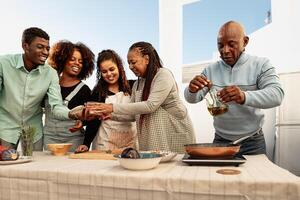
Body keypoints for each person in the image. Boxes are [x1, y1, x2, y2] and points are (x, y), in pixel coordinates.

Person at [184, 21, 284, 155]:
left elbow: (277, 95)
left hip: (253, 142)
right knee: (218, 176)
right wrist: (191, 90)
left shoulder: (261, 65)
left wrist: (243, 96)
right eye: (220, 45)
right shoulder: (210, 70)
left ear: (245, 41)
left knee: (256, 176)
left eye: (231, 44)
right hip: (221, 141)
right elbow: (192, 99)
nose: (225, 51)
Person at [85, 42, 195, 153]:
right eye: (129, 63)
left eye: (133, 62)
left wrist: (111, 107)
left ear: (146, 59)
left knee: (175, 167)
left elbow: (150, 105)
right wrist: (110, 116)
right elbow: (133, 115)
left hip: (173, 132)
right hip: (155, 137)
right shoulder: (138, 84)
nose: (130, 67)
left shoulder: (163, 75)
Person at [0, 27, 85, 150]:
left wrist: (71, 113)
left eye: (47, 48)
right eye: (40, 47)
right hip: (4, 128)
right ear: (25, 46)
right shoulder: (3, 63)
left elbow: (56, 105)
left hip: (34, 131)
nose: (45, 52)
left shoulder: (51, 74)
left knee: (35, 166)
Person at [76, 49, 137, 152]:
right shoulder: (97, 93)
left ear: (119, 67)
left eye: (112, 69)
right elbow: (93, 121)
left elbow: (139, 112)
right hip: (105, 143)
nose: (109, 74)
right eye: (104, 71)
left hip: (130, 143)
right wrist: (86, 143)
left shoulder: (133, 86)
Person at [43, 40, 94, 152]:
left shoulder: (84, 90)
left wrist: (83, 122)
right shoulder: (49, 83)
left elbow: (90, 118)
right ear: (62, 60)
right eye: (72, 59)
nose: (77, 63)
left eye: (80, 61)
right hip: (49, 138)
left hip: (74, 140)